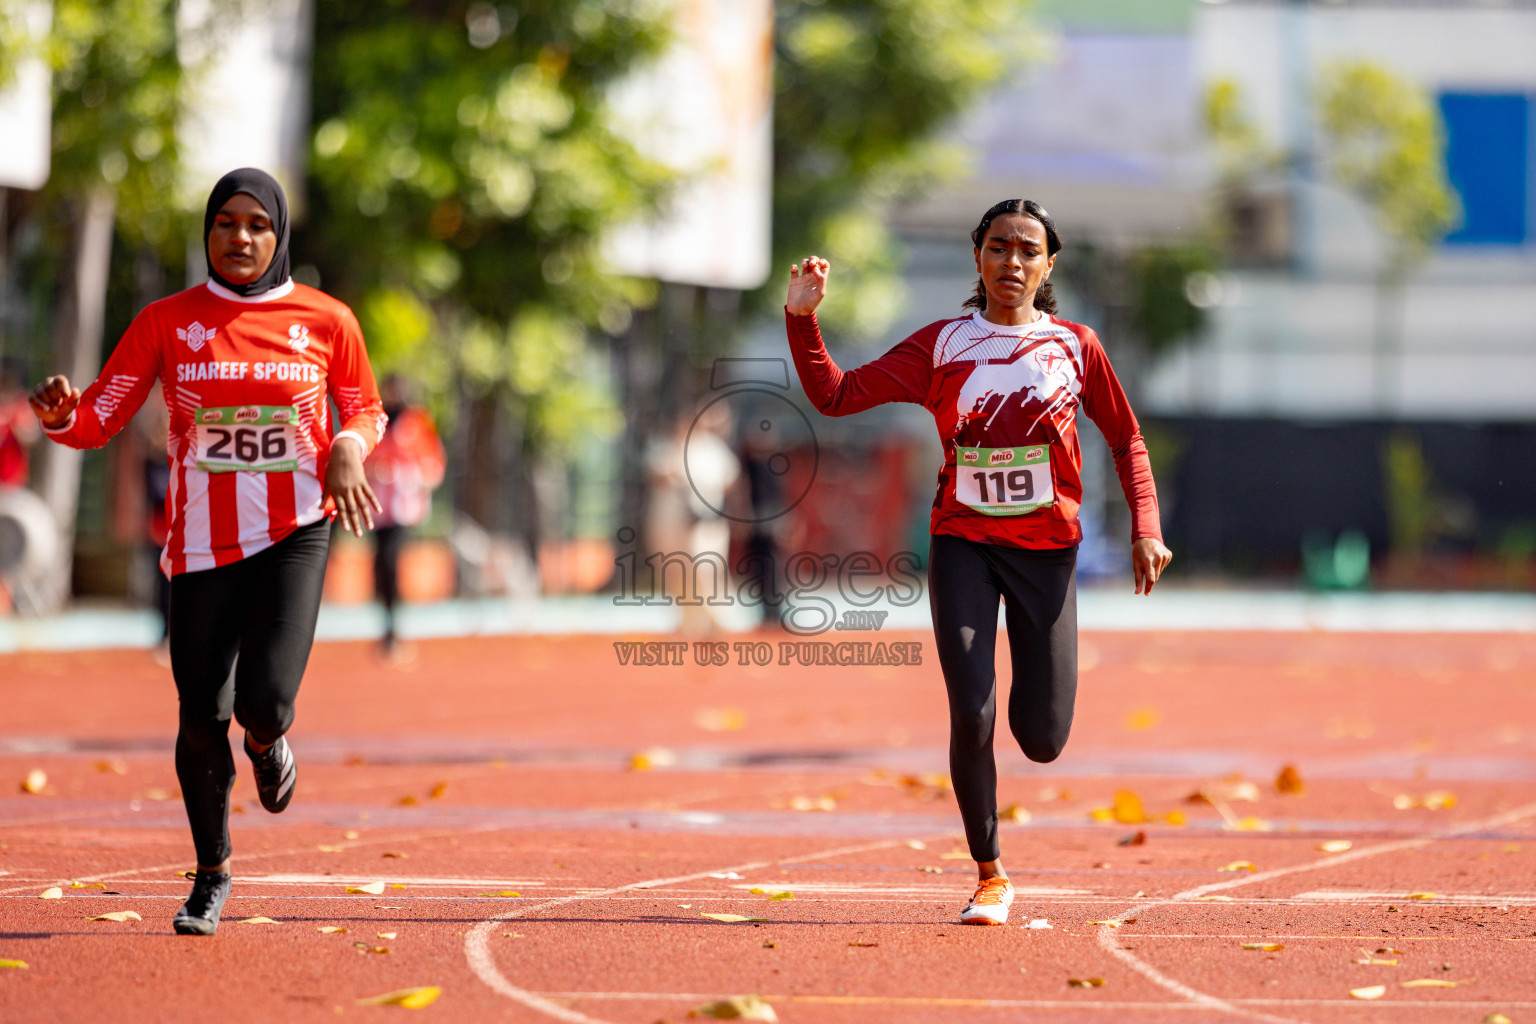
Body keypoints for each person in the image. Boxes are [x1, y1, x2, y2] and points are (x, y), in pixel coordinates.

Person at [783, 199, 1172, 926]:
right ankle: (990, 872)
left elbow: (1127, 440)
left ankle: (1024, 770)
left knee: (1043, 738)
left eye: (1028, 250)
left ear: (1049, 265)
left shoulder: (1076, 347)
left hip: (1047, 554)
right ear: (977, 258)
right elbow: (835, 396)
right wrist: (803, 319)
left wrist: (1146, 527)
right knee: (972, 708)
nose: (1012, 262)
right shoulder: (943, 345)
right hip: (963, 542)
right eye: (998, 247)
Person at [27, 168, 387, 935]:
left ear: (280, 234)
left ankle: (268, 742)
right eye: (226, 222)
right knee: (199, 714)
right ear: (208, 233)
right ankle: (211, 876)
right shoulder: (167, 320)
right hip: (199, 546)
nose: (242, 237)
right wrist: (63, 416)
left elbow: (365, 407)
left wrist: (348, 447)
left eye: (258, 224)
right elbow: (103, 415)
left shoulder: (326, 320)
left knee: (264, 700)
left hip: (295, 530)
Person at [364, 374, 445, 659]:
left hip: (404, 506)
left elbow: (434, 462)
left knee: (390, 561)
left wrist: (417, 481)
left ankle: (394, 627)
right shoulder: (376, 418)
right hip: (377, 506)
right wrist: (372, 472)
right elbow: (366, 458)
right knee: (379, 566)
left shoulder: (417, 420)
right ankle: (387, 625)